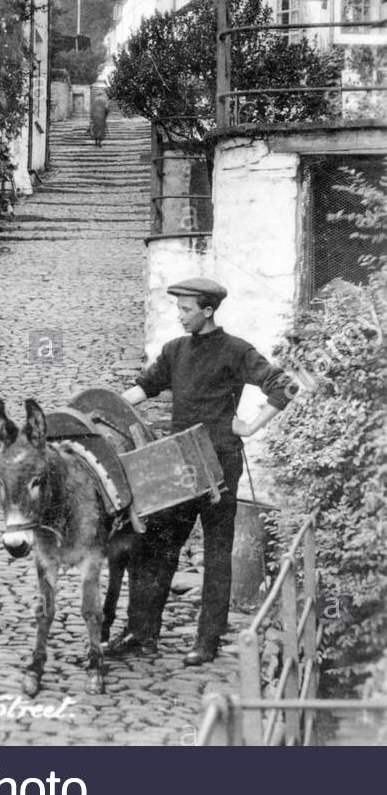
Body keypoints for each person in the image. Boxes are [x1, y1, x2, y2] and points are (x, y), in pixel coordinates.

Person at [113, 277, 291, 666]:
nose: (179, 317)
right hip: (178, 464)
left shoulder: (236, 351)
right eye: (178, 309)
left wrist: (249, 426)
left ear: (208, 311)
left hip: (220, 465)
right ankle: (142, 633)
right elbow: (145, 388)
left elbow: (284, 386)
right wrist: (99, 412)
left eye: (186, 310)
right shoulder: (175, 350)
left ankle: (207, 641)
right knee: (156, 545)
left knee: (216, 554)